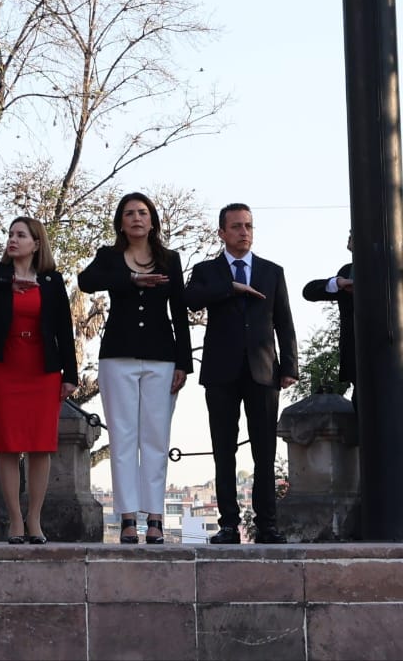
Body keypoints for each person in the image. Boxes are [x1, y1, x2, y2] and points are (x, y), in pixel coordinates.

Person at [76, 192, 191, 544]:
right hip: (118, 356)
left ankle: (155, 518)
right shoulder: (109, 257)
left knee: (155, 438)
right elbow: (86, 281)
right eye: (129, 213)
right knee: (123, 437)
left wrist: (183, 363)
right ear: (121, 222)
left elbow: (180, 312)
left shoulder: (169, 259)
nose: (137, 218)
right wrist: (129, 280)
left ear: (152, 220)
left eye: (142, 213)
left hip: (161, 356)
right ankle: (127, 518)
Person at [184, 203, 298, 545]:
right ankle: (229, 525)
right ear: (221, 232)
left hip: (264, 372)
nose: (243, 232)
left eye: (248, 225)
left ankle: (267, 525)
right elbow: (190, 299)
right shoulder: (208, 271)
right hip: (221, 372)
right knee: (224, 450)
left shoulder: (271, 271)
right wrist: (230, 288)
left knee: (264, 452)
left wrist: (289, 366)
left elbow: (284, 322)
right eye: (235, 226)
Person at [0, 217, 76, 545]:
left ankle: (35, 520)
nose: (13, 239)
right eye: (11, 234)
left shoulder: (52, 281)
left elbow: (64, 330)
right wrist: (6, 282)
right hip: (4, 367)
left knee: (41, 446)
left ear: (36, 244)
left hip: (42, 369)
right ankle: (15, 520)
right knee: (8, 445)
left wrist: (70, 376)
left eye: (21, 235)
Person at [301, 232, 355, 394]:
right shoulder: (347, 271)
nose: (349, 236)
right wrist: (338, 283)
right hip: (357, 358)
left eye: (354, 234)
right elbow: (309, 291)